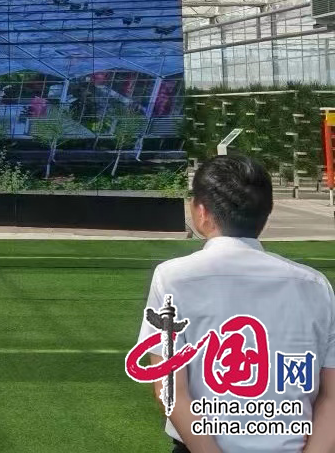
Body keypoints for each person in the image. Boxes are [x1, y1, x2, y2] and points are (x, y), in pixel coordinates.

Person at [135, 155, 335, 453]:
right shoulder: (315, 285)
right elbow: (331, 396)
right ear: (267, 212)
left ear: (201, 211)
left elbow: (170, 389)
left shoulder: (173, 277)